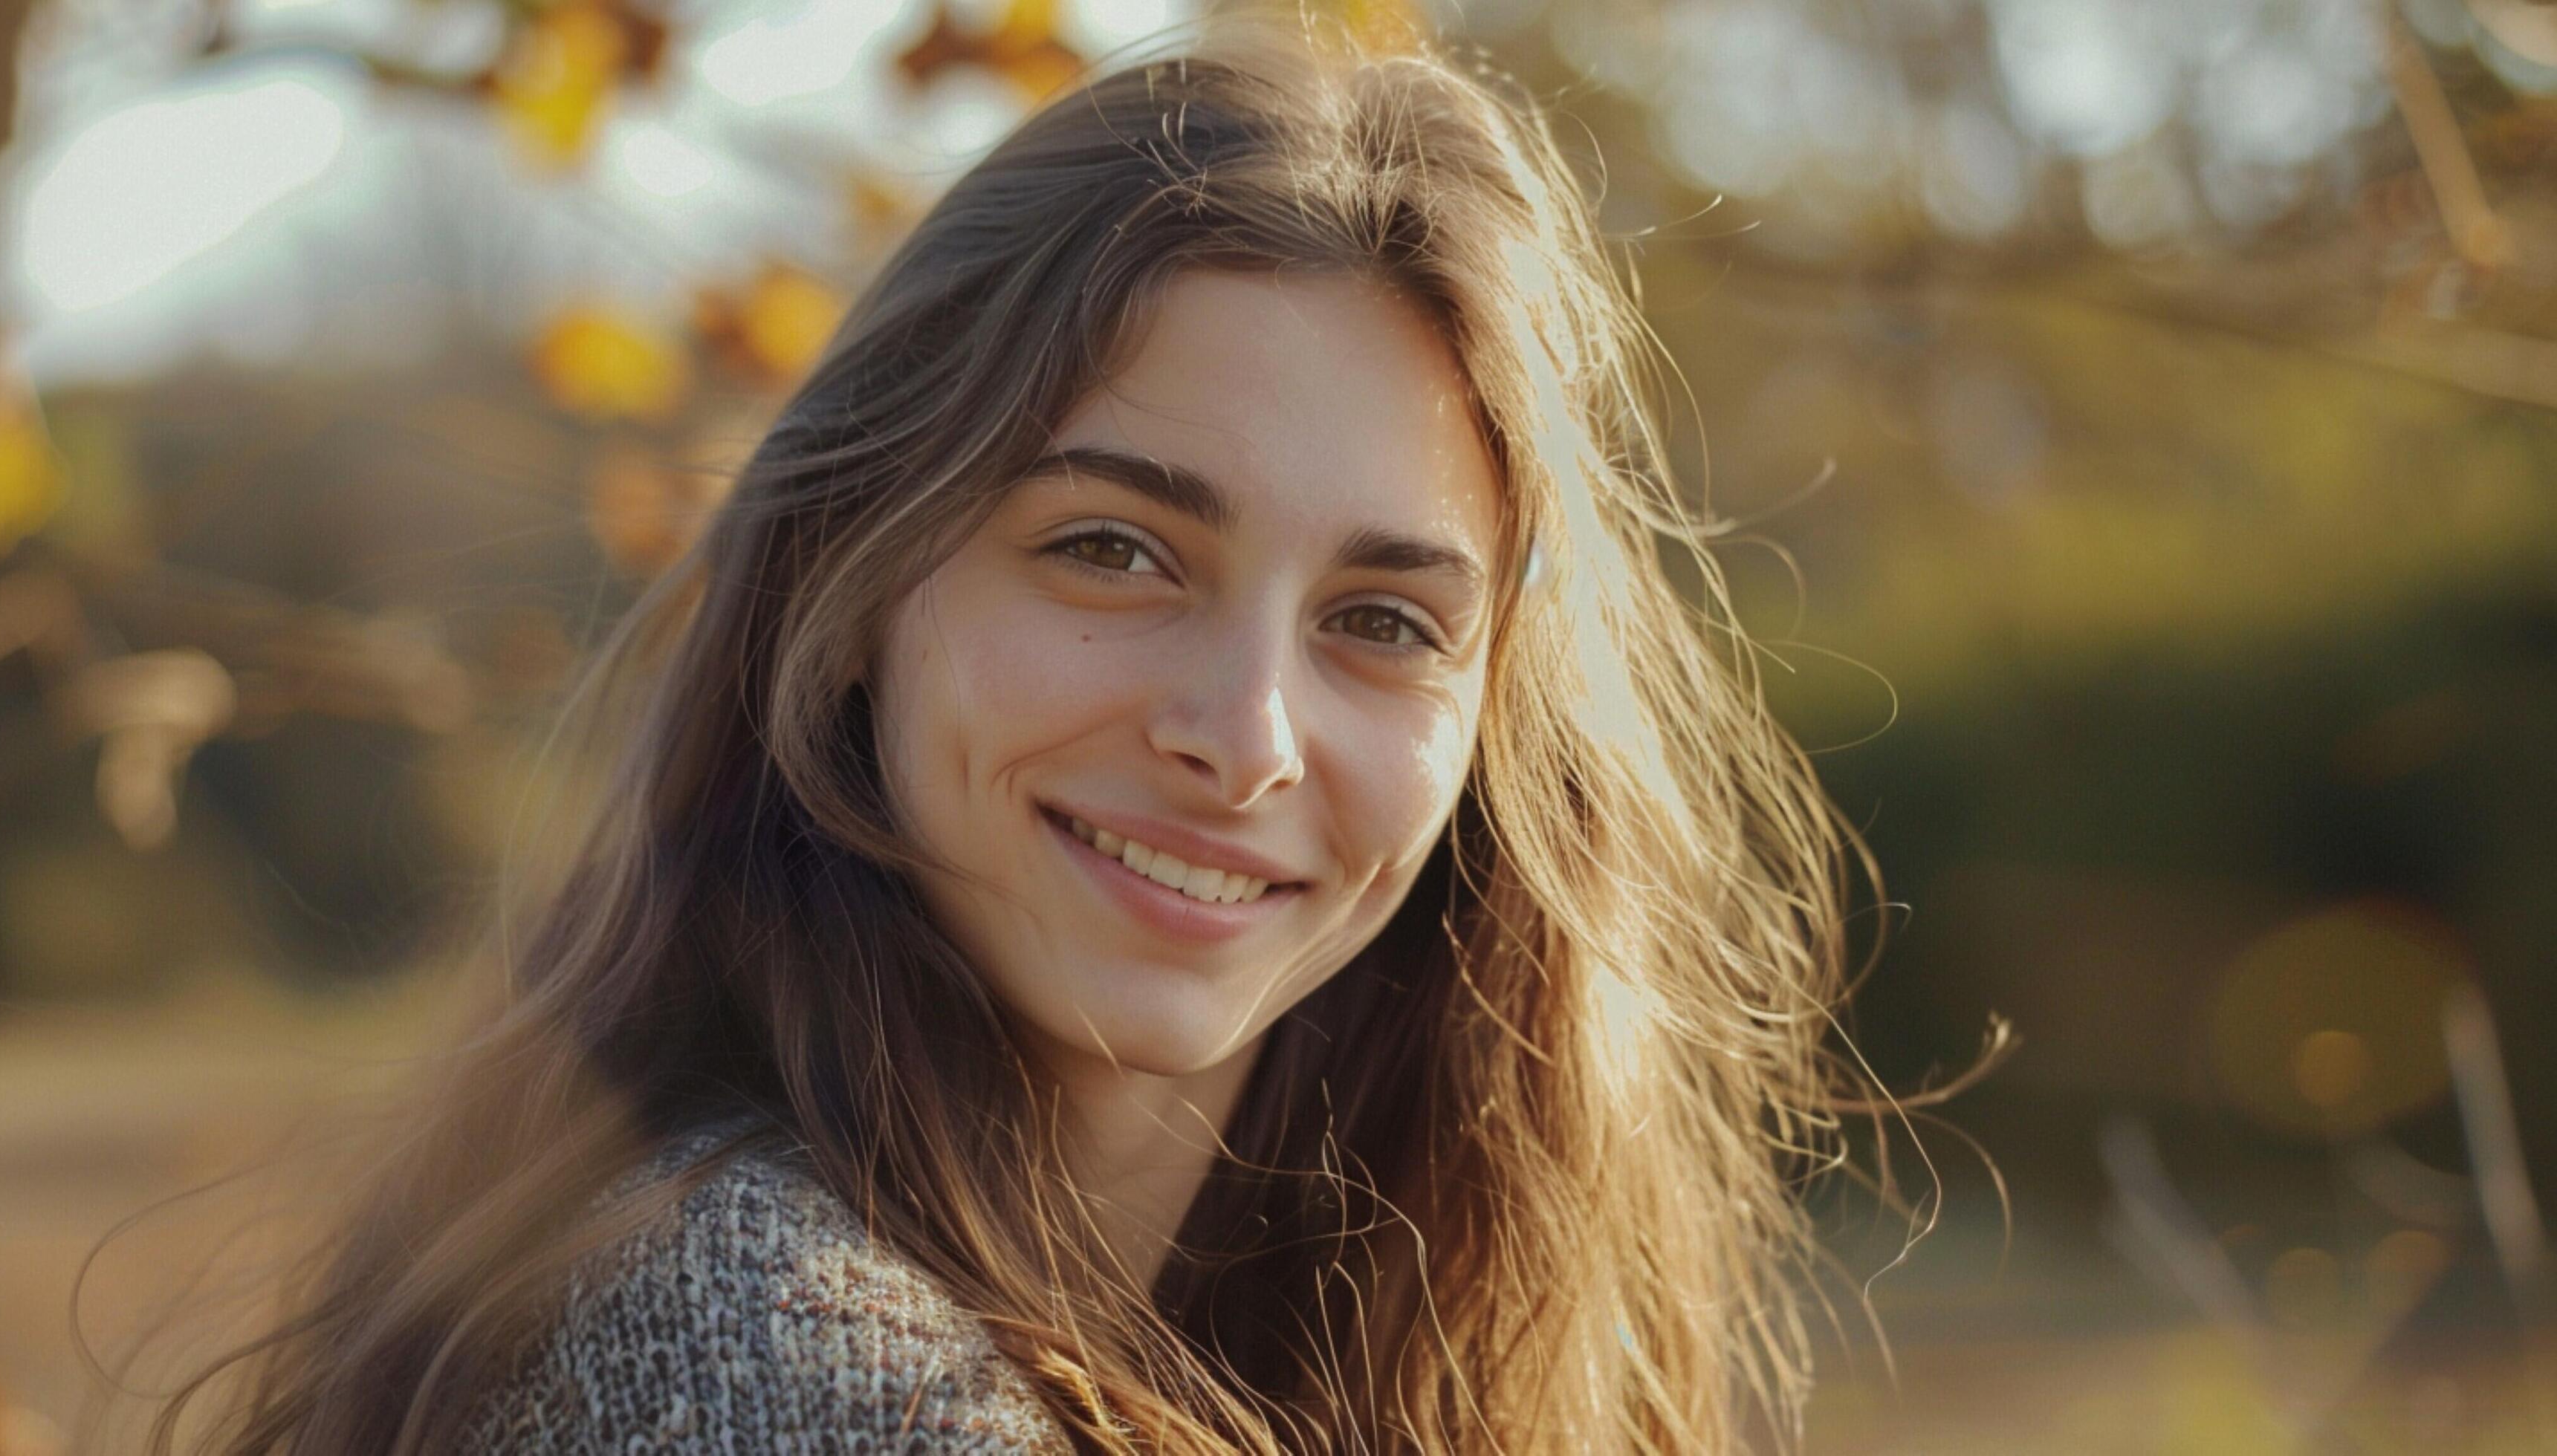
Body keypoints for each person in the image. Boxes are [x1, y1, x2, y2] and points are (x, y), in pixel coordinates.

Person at [152, 19, 1877, 1454]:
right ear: (859, 577)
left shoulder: (1397, 1314)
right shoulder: (768, 1366)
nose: (1247, 735)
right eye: (1113, 550)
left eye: (1384, 620)